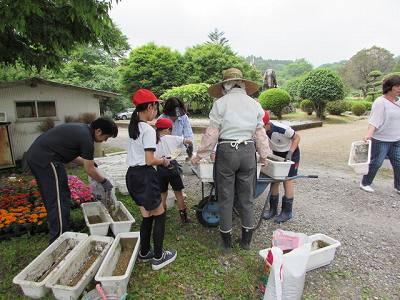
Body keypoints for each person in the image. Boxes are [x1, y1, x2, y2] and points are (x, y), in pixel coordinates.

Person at [191, 67, 271, 253]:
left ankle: (226, 244)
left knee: (226, 199)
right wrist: (264, 155)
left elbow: (212, 134)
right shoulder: (254, 104)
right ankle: (246, 242)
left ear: (225, 86)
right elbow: (260, 133)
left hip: (227, 151)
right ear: (242, 84)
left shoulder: (220, 104)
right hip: (248, 152)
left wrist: (200, 155)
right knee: (247, 199)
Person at [26, 117, 118, 244]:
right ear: (98, 131)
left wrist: (88, 162)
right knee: (58, 200)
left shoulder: (83, 130)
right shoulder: (87, 138)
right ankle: (59, 240)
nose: (105, 140)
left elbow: (70, 154)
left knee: (58, 196)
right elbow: (90, 170)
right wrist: (104, 181)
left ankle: (62, 230)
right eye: (106, 137)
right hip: (47, 160)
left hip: (41, 157)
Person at [125, 88, 177, 271]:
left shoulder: (133, 128)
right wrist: (163, 161)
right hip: (145, 176)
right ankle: (158, 257)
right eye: (155, 106)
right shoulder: (147, 129)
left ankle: (145, 252)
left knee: (146, 215)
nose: (156, 110)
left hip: (132, 176)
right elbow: (149, 160)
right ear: (149, 107)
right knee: (160, 214)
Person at [360, 75, 400, 194]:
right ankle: (365, 183)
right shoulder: (380, 102)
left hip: (396, 139)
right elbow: (374, 121)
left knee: (399, 163)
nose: (399, 88)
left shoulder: (399, 102)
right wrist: (368, 134)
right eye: (397, 86)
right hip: (381, 139)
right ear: (389, 87)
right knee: (376, 162)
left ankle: (398, 186)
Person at [261, 110, 301, 223]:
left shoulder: (282, 128)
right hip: (276, 153)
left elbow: (297, 138)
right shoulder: (261, 131)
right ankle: (273, 209)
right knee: (274, 179)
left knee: (287, 180)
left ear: (267, 124)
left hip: (291, 153)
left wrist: (290, 152)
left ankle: (287, 212)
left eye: (261, 126)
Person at [155, 117, 193, 224]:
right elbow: (189, 141)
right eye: (170, 129)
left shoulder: (154, 140)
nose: (171, 131)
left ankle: (161, 217)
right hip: (172, 166)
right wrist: (188, 148)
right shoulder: (173, 138)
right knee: (178, 193)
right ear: (167, 129)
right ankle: (184, 218)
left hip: (160, 167)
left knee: (163, 194)